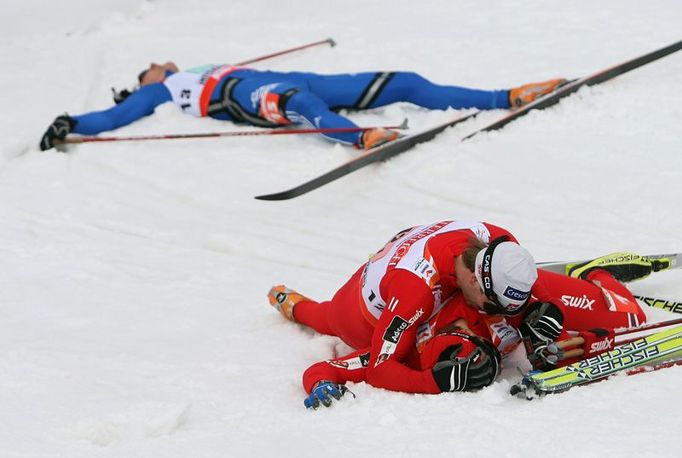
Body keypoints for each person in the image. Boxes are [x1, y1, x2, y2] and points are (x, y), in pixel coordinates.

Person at [266, 220, 657, 408]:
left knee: (630, 317)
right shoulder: (415, 306)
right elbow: (379, 366)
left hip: (440, 254)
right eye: (495, 307)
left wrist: (541, 313)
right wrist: (436, 380)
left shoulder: (497, 243)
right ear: (473, 282)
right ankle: (290, 300)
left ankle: (596, 276)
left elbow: (514, 300)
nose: (499, 316)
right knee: (324, 317)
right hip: (369, 305)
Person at [39, 61, 566, 151]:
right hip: (240, 96)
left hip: (283, 74)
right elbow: (113, 118)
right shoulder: (160, 89)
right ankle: (359, 136)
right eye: (150, 66)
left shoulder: (193, 65)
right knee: (294, 102)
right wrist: (73, 123)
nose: (158, 63)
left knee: (401, 81)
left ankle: (506, 96)